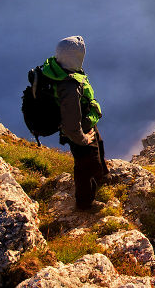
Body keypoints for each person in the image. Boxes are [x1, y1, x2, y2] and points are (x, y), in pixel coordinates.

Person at [41, 35, 108, 210]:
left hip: (85, 122)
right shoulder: (69, 87)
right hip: (79, 131)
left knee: (98, 145)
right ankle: (85, 204)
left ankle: (103, 176)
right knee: (86, 166)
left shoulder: (60, 69)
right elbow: (71, 124)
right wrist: (83, 138)